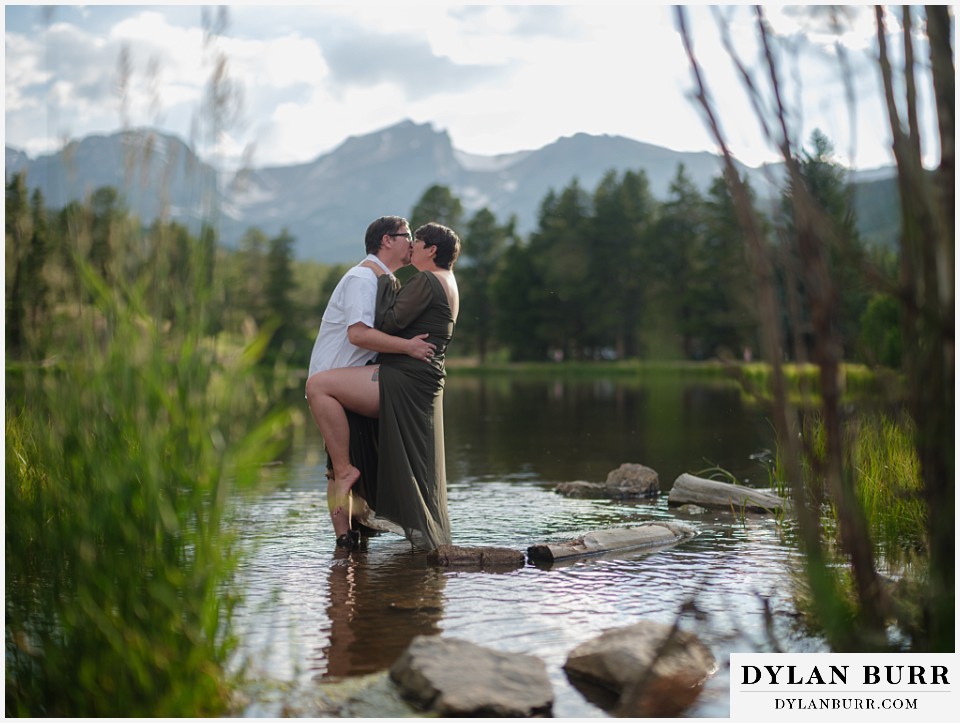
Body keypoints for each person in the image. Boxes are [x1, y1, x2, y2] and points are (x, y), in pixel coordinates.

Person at [306, 222, 460, 551]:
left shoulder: (396, 280)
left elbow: (385, 323)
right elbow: (360, 333)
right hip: (342, 373)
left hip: (365, 375)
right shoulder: (366, 278)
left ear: (431, 250)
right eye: (408, 238)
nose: (411, 245)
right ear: (387, 241)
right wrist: (407, 347)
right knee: (339, 464)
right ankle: (346, 540)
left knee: (342, 463)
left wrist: (407, 345)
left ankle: (348, 543)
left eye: (416, 240)